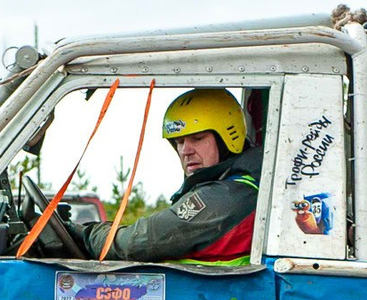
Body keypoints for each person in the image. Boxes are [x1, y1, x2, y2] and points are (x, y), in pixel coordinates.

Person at [102, 89, 261, 263]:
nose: (185, 151)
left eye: (197, 138)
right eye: (179, 142)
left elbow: (137, 243)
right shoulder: (233, 185)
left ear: (227, 138)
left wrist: (86, 235)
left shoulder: (228, 196)